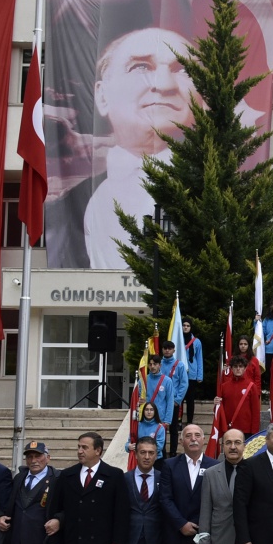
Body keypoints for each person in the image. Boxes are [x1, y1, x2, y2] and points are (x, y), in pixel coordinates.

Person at [43, 25, 200, 268]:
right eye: (141, 67)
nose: (165, 84)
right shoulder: (68, 206)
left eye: (183, 70)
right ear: (103, 96)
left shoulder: (220, 198)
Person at [213, 357, 261, 442]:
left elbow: (255, 410)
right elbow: (220, 410)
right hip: (229, 428)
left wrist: (254, 432)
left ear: (245, 368)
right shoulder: (224, 387)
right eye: (235, 366)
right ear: (231, 369)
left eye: (240, 366)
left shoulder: (251, 386)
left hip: (246, 430)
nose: (238, 369)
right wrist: (216, 404)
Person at [181, 318, 206, 427]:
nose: (185, 327)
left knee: (190, 399)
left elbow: (199, 358)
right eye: (184, 325)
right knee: (179, 398)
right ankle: (178, 420)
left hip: (191, 374)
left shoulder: (196, 341)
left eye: (188, 326)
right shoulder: (178, 339)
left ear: (191, 327)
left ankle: (189, 420)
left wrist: (199, 375)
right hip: (179, 374)